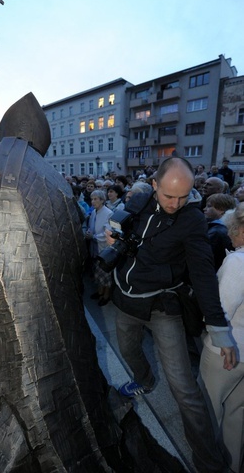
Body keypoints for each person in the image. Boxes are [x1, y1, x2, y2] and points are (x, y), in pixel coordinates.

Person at [107, 157, 235, 473]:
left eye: (184, 196)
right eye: (168, 196)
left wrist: (219, 330)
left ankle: (210, 463)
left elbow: (203, 272)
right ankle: (145, 380)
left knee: (184, 389)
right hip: (126, 300)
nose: (176, 203)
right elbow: (120, 229)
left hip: (164, 306)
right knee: (129, 352)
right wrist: (115, 236)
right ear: (154, 186)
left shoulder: (191, 220)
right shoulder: (138, 200)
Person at [198, 203, 244, 473]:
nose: (230, 237)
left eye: (233, 231)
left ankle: (207, 466)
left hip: (225, 352)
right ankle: (233, 466)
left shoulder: (238, 262)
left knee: (207, 412)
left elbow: (220, 310)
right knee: (237, 414)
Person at [85, 190, 113, 307]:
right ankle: (100, 292)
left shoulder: (108, 213)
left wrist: (94, 236)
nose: (93, 201)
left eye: (96, 199)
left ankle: (106, 296)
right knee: (98, 272)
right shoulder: (95, 212)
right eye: (92, 199)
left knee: (105, 274)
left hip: (104, 248)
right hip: (95, 247)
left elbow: (109, 232)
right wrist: (89, 233)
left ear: (102, 200)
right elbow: (92, 227)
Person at [203, 193, 236, 271]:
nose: (204, 209)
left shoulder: (217, 232)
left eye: (209, 206)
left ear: (221, 209)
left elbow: (206, 258)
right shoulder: (225, 228)